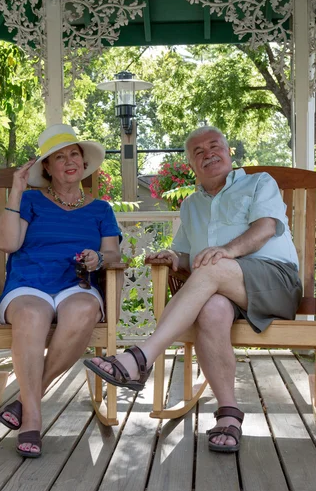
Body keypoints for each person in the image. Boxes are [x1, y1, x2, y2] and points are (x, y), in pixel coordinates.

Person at [84, 126, 302, 453]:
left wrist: (226, 251)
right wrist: (172, 256)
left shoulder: (259, 182)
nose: (207, 154)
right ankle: (228, 413)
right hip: (226, 290)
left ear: (229, 153)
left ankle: (140, 358)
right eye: (198, 152)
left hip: (275, 281)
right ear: (191, 164)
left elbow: (265, 228)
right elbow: (187, 254)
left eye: (214, 146)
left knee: (210, 266)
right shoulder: (190, 206)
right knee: (211, 310)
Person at [0, 123, 122, 458]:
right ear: (47, 168)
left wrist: (99, 257)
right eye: (58, 156)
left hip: (76, 284)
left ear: (83, 162)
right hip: (28, 284)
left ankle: (25, 399)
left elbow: (114, 254)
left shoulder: (101, 209)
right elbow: (7, 243)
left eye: (74, 154)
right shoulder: (32, 201)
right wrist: (17, 190)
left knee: (83, 310)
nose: (69, 160)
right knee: (33, 314)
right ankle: (33, 419)